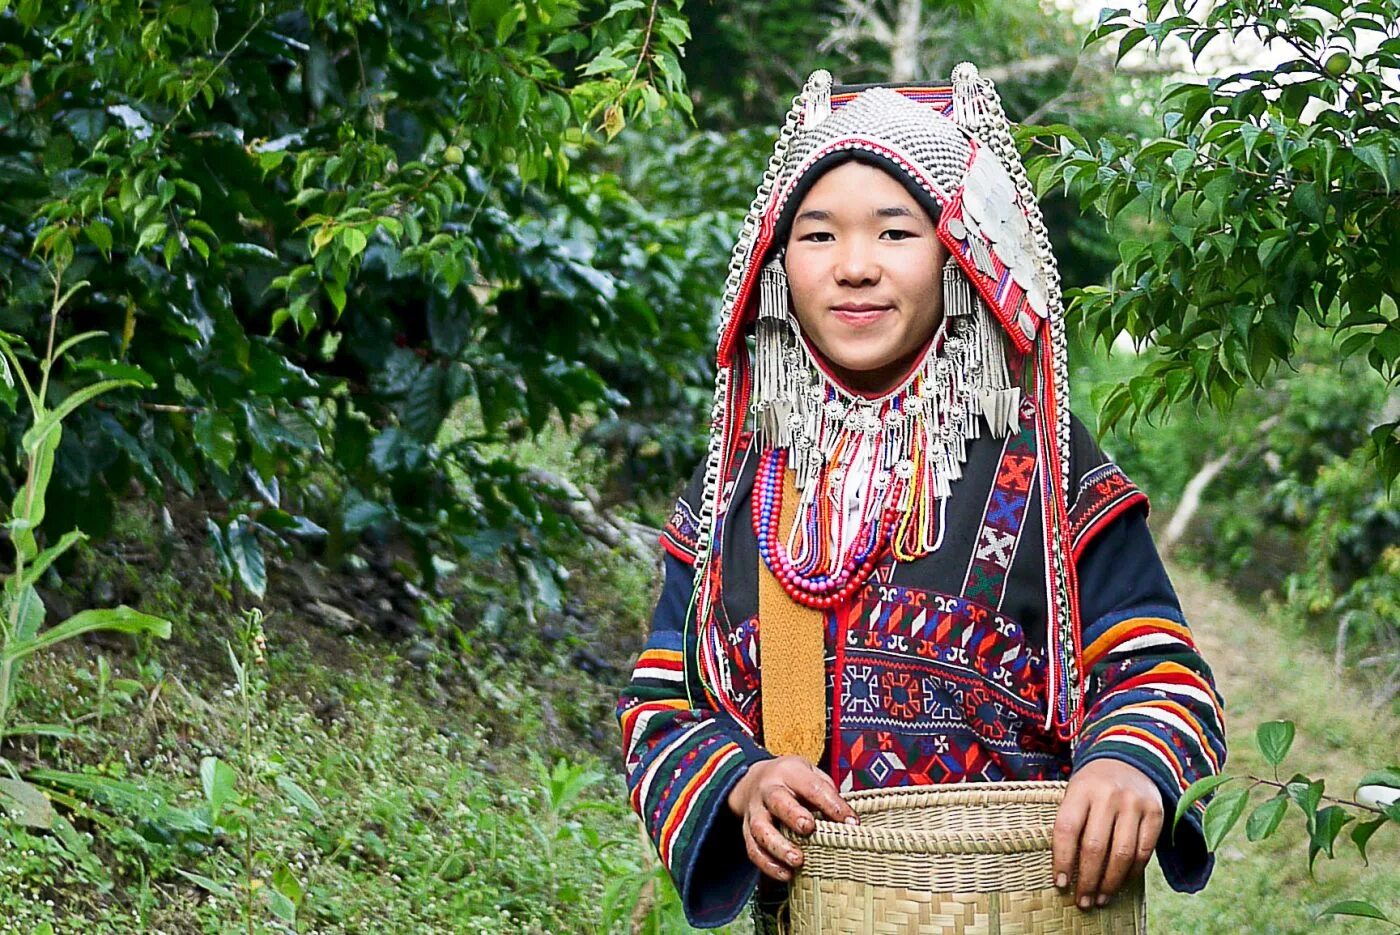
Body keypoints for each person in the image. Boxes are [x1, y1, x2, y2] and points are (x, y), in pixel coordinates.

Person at [616, 66, 1226, 931]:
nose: (855, 267)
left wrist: (1130, 765)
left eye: (896, 232)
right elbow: (659, 703)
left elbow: (1163, 674)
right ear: (777, 262)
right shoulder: (744, 480)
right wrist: (741, 780)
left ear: (957, 253)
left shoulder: (1043, 458)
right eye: (818, 236)